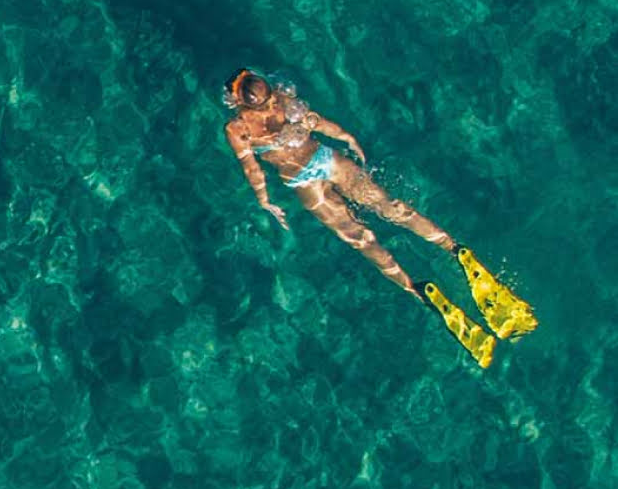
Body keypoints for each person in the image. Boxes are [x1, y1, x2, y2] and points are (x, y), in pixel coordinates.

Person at [222, 68, 536, 368]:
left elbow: (252, 169)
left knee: (363, 240)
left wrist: (265, 202)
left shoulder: (237, 128)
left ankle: (418, 291)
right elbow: (315, 122)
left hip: (303, 182)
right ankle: (457, 251)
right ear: (262, 85)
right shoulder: (282, 97)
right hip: (327, 159)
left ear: (236, 100)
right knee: (393, 208)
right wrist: (347, 137)